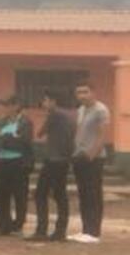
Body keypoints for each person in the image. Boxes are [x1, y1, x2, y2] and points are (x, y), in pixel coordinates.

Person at [28, 89, 75, 243]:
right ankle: (59, 230)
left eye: (46, 100)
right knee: (59, 194)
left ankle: (42, 230)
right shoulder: (67, 116)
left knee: (41, 193)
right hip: (62, 159)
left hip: (53, 159)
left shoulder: (55, 114)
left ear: (53, 101)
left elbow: (40, 133)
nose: (44, 103)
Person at [69, 80, 111, 243]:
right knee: (83, 194)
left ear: (93, 92)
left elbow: (102, 135)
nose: (82, 95)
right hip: (79, 156)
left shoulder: (101, 110)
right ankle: (85, 230)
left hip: (93, 158)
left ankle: (94, 232)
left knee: (93, 194)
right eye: (79, 92)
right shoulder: (81, 110)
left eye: (85, 92)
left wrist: (91, 155)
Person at [0, 95, 34, 236]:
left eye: (7, 105)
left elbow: (23, 143)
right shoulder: (0, 122)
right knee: (1, 195)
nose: (4, 109)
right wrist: (11, 138)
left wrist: (4, 138)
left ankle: (18, 224)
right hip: (2, 163)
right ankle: (3, 224)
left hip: (19, 164)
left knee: (19, 195)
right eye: (3, 105)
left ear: (16, 106)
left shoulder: (25, 122)